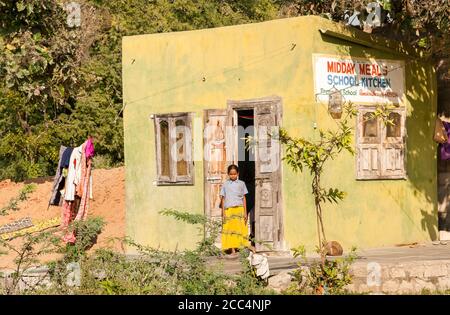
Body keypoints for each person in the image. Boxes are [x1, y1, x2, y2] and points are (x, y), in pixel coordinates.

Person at [220, 164, 250, 256]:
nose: (233, 176)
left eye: (234, 174)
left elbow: (244, 198)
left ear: (238, 173)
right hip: (229, 210)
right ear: (228, 174)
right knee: (230, 230)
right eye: (231, 174)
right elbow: (223, 198)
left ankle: (240, 247)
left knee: (239, 229)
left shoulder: (241, 184)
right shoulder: (225, 184)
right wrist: (223, 213)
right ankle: (232, 249)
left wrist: (245, 212)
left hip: (239, 209)